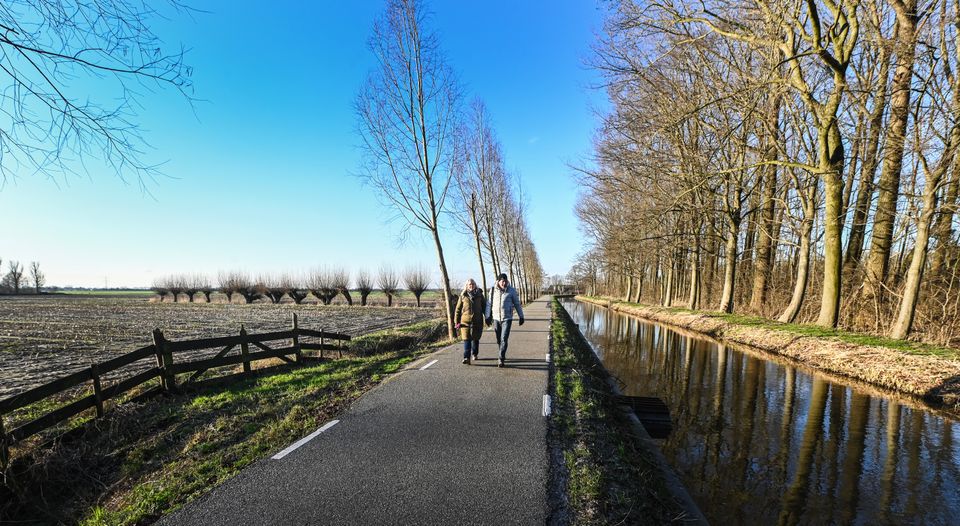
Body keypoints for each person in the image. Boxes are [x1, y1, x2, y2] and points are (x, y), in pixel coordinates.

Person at [485, 273, 524, 367]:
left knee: (504, 339)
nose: (504, 283)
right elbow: (489, 304)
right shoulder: (493, 290)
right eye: (502, 281)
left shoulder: (512, 290)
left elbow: (517, 304)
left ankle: (501, 358)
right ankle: (501, 352)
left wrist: (521, 316)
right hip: (496, 318)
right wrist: (487, 316)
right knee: (499, 339)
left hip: (507, 318)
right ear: (498, 281)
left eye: (505, 281)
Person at [454, 278, 486, 365]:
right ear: (467, 286)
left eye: (473, 284)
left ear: (475, 285)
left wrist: (487, 318)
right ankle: (466, 357)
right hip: (465, 322)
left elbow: (484, 307)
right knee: (466, 339)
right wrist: (456, 322)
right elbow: (458, 310)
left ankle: (474, 353)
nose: (471, 286)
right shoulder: (463, 296)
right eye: (469, 284)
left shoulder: (480, 295)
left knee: (475, 339)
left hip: (477, 321)